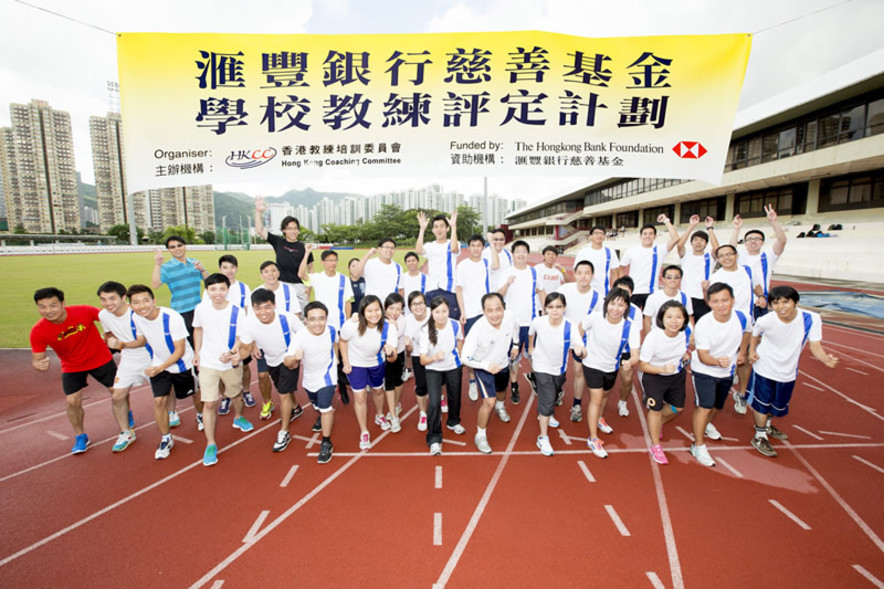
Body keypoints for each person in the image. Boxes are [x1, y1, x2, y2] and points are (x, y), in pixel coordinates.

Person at [746, 286, 838, 457]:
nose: (781, 307)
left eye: (785, 302)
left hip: (788, 370)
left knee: (777, 404)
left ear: (795, 302)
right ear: (771, 305)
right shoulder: (766, 320)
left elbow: (815, 345)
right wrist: (752, 351)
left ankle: (767, 425)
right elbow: (755, 335)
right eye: (776, 303)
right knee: (762, 403)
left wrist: (825, 358)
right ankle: (759, 435)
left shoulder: (811, 319)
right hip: (765, 367)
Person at [30, 287, 118, 454]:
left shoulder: (83, 311)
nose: (48, 310)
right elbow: (37, 359)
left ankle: (125, 414)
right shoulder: (38, 331)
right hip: (72, 365)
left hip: (100, 357)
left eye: (52, 305)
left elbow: (107, 317)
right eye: (42, 307)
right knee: (72, 401)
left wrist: (109, 333)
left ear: (62, 303)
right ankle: (80, 436)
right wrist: (38, 364)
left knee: (117, 392)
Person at [127, 284, 201, 460]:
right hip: (159, 364)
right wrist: (122, 345)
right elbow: (142, 339)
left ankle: (201, 415)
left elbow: (179, 350)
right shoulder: (136, 318)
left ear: (154, 300)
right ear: (131, 305)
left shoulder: (172, 317)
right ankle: (166, 437)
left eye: (146, 300)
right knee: (159, 400)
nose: (142, 306)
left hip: (182, 365)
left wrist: (161, 367)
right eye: (136, 302)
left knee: (196, 394)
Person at [192, 273, 253, 467]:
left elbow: (242, 337)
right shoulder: (201, 309)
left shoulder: (237, 311)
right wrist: (197, 352)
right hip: (208, 362)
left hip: (229, 362)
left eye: (221, 288)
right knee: (209, 403)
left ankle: (238, 416)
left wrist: (233, 351)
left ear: (228, 290)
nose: (217, 293)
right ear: (207, 291)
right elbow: (198, 329)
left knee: (235, 394)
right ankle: (211, 443)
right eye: (213, 289)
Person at [689, 282, 751, 468]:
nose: (721, 305)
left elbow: (749, 331)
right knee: (705, 407)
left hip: (727, 371)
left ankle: (706, 424)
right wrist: (718, 361)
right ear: (709, 303)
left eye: (725, 300)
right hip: (704, 370)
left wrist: (743, 351)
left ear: (733, 300)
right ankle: (698, 445)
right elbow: (703, 356)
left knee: (717, 407)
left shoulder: (742, 317)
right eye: (715, 301)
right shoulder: (704, 324)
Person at [238, 288, 304, 453]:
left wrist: (296, 354)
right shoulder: (248, 323)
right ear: (252, 307)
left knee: (282, 394)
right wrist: (236, 357)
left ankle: (284, 432)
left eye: (267, 307)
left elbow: (304, 334)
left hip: (289, 359)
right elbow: (245, 348)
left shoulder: (287, 318)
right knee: (284, 390)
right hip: (271, 360)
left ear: (274, 305)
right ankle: (295, 407)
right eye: (258, 308)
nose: (263, 312)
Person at [579, 287, 641, 459]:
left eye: (621, 305)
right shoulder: (596, 317)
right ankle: (593, 438)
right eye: (612, 304)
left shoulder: (631, 327)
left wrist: (629, 362)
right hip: (591, 363)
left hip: (611, 366)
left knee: (605, 395)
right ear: (607, 304)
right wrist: (580, 345)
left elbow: (636, 354)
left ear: (626, 307)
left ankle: (599, 418)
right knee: (596, 399)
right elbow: (580, 327)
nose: (615, 309)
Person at [462, 292, 521, 453]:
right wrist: (486, 365)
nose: (495, 314)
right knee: (489, 402)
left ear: (504, 308)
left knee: (502, 392)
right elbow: (464, 357)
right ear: (483, 311)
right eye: (490, 310)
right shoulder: (477, 330)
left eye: (498, 309)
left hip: (502, 364)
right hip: (483, 368)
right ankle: (480, 435)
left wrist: (515, 344)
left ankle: (500, 407)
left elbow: (515, 328)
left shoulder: (509, 317)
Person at [708, 244, 762, 414]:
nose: (726, 258)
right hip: (725, 320)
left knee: (743, 357)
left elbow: (757, 285)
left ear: (736, 255)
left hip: (745, 319)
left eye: (729, 254)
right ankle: (716, 389)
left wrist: (761, 296)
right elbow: (712, 299)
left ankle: (741, 393)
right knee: (721, 354)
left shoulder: (747, 270)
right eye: (721, 255)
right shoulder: (717, 276)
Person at [528, 293, 585, 456]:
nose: (555, 310)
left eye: (558, 307)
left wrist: (582, 351)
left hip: (559, 369)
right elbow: (531, 333)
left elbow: (579, 345)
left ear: (564, 308)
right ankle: (543, 437)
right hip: (541, 366)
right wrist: (531, 347)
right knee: (547, 398)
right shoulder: (538, 322)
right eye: (551, 307)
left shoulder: (570, 326)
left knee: (554, 393)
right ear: (545, 308)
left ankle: (546, 412)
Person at [339, 295, 397, 450]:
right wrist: (346, 362)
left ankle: (379, 415)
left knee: (378, 391)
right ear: (362, 312)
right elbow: (342, 341)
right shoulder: (351, 326)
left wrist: (390, 353)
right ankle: (364, 431)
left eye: (377, 310)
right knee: (360, 396)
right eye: (369, 310)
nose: (374, 314)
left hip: (376, 363)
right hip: (356, 365)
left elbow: (392, 357)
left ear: (382, 310)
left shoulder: (388, 328)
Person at [97, 281, 149, 452]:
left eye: (112, 298)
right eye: (103, 299)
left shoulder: (137, 313)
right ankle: (126, 432)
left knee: (163, 392)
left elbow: (145, 339)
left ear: (123, 298)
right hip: (129, 359)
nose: (107, 303)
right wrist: (110, 340)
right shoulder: (104, 315)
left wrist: (121, 344)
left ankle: (172, 413)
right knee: (118, 396)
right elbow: (109, 333)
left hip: (150, 355)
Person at [285, 301, 339, 464]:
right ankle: (320, 414)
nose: (318, 323)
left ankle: (326, 442)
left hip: (328, 375)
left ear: (326, 318)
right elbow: (287, 361)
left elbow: (336, 342)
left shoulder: (331, 329)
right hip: (309, 378)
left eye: (321, 318)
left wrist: (335, 358)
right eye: (313, 319)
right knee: (316, 404)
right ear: (306, 320)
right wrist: (294, 357)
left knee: (325, 406)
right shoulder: (300, 336)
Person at [638, 301, 692, 465]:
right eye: (669, 317)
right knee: (655, 410)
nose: (674, 321)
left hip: (676, 375)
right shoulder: (654, 337)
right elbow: (642, 365)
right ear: (661, 318)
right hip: (653, 375)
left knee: (678, 408)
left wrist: (686, 355)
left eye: (678, 317)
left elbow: (683, 349)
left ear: (684, 319)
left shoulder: (685, 334)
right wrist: (661, 368)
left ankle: (658, 423)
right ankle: (656, 445)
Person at [299, 246, 353, 405]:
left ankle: (342, 386)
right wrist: (307, 253)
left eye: (334, 260)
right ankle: (326, 387)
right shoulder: (317, 277)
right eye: (329, 260)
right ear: (322, 262)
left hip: (340, 324)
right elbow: (301, 274)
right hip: (321, 326)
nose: (332, 263)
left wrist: (347, 322)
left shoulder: (344, 279)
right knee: (326, 357)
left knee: (341, 359)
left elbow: (348, 302)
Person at [203, 254, 256, 415]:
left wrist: (248, 336)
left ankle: (245, 391)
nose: (229, 271)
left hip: (239, 334)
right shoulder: (212, 288)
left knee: (244, 366)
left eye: (232, 267)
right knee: (219, 367)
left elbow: (248, 310)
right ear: (220, 269)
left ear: (236, 268)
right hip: (218, 336)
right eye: (225, 267)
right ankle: (225, 396)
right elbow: (206, 312)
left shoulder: (243, 287)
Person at [252, 260, 302, 420]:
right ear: (261, 274)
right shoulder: (256, 292)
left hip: (286, 344)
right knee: (262, 375)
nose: (270, 274)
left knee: (284, 380)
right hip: (263, 343)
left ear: (278, 273)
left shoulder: (288, 290)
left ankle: (292, 406)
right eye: (266, 271)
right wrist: (253, 344)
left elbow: (296, 314)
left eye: (273, 270)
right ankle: (267, 402)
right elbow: (250, 319)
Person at [498, 240, 545, 406]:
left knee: (534, 354)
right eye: (517, 251)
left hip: (531, 320)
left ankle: (535, 377)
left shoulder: (533, 272)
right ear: (513, 254)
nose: (521, 254)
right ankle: (514, 385)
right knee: (513, 358)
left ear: (528, 253)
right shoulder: (507, 272)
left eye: (524, 251)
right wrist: (507, 283)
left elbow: (541, 291)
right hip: (513, 323)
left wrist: (544, 311)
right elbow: (498, 294)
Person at [556, 260, 603, 421]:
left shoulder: (597, 296)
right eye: (580, 273)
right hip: (562, 335)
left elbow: (598, 320)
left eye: (587, 273)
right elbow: (553, 307)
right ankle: (557, 390)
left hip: (582, 339)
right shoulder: (564, 290)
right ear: (575, 274)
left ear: (592, 275)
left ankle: (576, 405)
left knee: (578, 371)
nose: (583, 277)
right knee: (557, 370)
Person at [420, 296, 465, 455]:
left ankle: (453, 421)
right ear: (431, 312)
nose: (441, 315)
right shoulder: (426, 330)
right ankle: (434, 438)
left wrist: (459, 353)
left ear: (449, 311)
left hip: (453, 366)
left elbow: (460, 339)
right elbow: (423, 360)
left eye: (444, 311)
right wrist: (434, 357)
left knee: (455, 396)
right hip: (433, 368)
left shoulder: (455, 324)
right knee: (434, 403)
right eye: (437, 312)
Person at [254, 196, 314, 311]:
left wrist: (309, 288)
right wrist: (258, 212)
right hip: (280, 285)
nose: (293, 231)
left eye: (295, 228)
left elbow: (311, 269)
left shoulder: (303, 247)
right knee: (280, 313)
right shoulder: (278, 242)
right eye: (289, 228)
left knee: (302, 317)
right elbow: (260, 230)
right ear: (284, 230)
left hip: (299, 287)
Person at [730, 204, 787, 321]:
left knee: (757, 335)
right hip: (740, 301)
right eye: (749, 239)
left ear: (762, 242)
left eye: (757, 239)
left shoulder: (768, 256)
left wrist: (774, 222)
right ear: (745, 243)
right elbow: (730, 249)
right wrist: (736, 229)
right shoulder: (740, 256)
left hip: (759, 302)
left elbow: (782, 241)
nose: (753, 241)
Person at [456, 233, 495, 401]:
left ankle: (485, 375)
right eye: (473, 245)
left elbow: (498, 264)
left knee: (487, 345)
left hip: (486, 312)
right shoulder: (462, 265)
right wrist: (463, 311)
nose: (476, 248)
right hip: (471, 312)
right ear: (469, 247)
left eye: (479, 245)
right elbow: (459, 289)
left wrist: (492, 242)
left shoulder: (487, 263)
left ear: (483, 247)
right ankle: (472, 380)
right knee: (471, 347)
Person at [150, 235, 208, 345]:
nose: (177, 249)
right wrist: (158, 265)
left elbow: (209, 282)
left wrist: (202, 270)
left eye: (179, 245)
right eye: (172, 247)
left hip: (198, 309)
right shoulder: (166, 268)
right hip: (181, 311)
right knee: (189, 344)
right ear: (168, 250)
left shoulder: (194, 262)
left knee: (203, 341)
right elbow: (155, 284)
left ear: (185, 246)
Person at [618, 215, 679, 309]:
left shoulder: (659, 250)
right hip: (634, 292)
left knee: (649, 320)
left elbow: (675, 239)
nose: (647, 236)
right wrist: (624, 286)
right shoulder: (631, 250)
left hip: (651, 292)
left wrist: (666, 221)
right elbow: (621, 267)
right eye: (645, 233)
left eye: (651, 234)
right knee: (631, 319)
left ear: (655, 236)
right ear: (640, 236)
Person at [415, 210, 462, 319]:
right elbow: (418, 250)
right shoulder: (430, 246)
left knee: (450, 321)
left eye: (442, 226)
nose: (439, 229)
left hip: (448, 289)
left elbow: (454, 249)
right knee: (430, 323)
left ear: (447, 228)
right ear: (432, 230)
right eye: (436, 227)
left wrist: (454, 227)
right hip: (432, 289)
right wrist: (422, 229)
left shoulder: (452, 243)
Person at [675, 215, 719, 320]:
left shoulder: (709, 257)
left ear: (706, 244)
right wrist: (691, 226)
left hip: (703, 298)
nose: (698, 242)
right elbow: (680, 245)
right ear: (691, 243)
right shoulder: (686, 255)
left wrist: (710, 229)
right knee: (684, 326)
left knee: (702, 326)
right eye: (695, 240)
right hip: (687, 296)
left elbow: (717, 249)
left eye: (702, 240)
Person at [642, 265, 694, 337]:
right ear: (663, 279)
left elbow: (689, 317)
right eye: (669, 277)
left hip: (679, 337)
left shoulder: (685, 297)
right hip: (658, 337)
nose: (672, 280)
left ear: (680, 279)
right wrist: (647, 338)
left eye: (676, 277)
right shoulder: (653, 298)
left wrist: (692, 334)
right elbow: (647, 320)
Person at [405, 291, 431, 432]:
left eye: (420, 303)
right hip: (418, 354)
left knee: (439, 381)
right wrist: (408, 345)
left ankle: (440, 397)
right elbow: (409, 348)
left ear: (425, 303)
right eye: (414, 304)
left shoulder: (433, 313)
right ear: (410, 307)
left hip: (434, 353)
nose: (418, 307)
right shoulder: (408, 321)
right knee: (421, 386)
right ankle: (423, 413)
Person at [382, 292, 408, 432]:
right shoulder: (379, 320)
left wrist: (393, 325)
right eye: (391, 308)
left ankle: (397, 404)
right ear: (385, 308)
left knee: (398, 382)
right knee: (389, 383)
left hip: (399, 354)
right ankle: (393, 416)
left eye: (398, 309)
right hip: (385, 356)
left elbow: (394, 338)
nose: (394, 312)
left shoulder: (402, 320)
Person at [574, 225, 620, 295]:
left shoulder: (610, 253)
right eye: (596, 233)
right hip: (585, 292)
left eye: (601, 233)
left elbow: (615, 273)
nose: (599, 235)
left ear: (604, 236)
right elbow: (576, 272)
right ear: (590, 236)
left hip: (603, 292)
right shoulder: (583, 253)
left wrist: (614, 291)